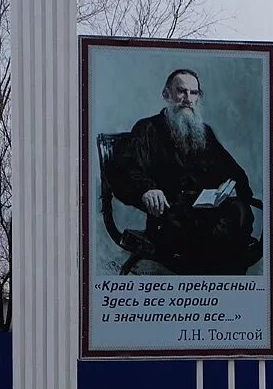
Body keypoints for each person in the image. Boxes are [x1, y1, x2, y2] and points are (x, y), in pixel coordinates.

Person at [109, 69, 255, 275]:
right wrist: (147, 190)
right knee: (217, 240)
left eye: (193, 93)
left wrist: (229, 186)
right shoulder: (147, 129)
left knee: (239, 211)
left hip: (207, 212)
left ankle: (224, 294)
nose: (188, 99)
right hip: (169, 216)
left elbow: (233, 171)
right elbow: (124, 169)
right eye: (181, 91)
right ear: (167, 95)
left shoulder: (204, 132)